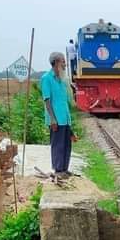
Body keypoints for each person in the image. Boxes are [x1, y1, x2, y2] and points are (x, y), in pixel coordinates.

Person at [42, 52, 74, 180]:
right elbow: (47, 100)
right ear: (55, 62)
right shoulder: (47, 78)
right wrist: (53, 119)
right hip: (56, 118)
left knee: (67, 144)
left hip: (65, 118)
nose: (65, 64)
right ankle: (58, 169)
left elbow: (66, 100)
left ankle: (64, 169)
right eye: (63, 61)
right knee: (57, 145)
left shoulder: (62, 80)